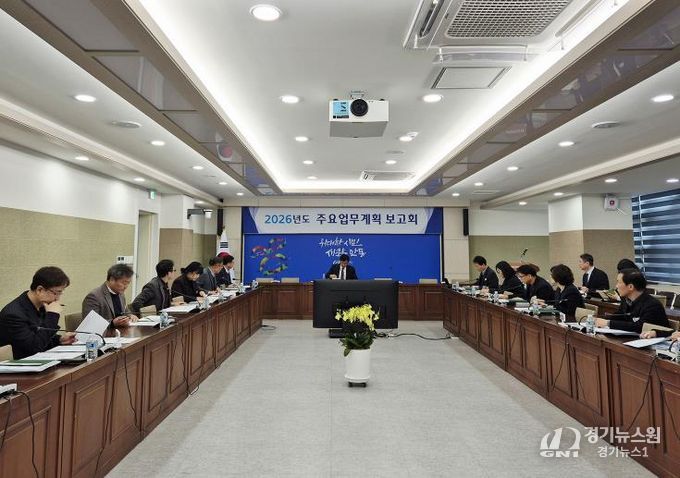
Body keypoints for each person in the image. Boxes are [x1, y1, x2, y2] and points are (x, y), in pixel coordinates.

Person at [0, 267, 77, 359]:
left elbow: (39, 336)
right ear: (40, 290)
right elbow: (34, 348)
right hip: (20, 364)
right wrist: (52, 315)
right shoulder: (13, 315)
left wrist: (60, 340)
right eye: (56, 293)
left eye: (60, 293)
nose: (58, 299)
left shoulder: (41, 305)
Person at [595, 269, 669, 333]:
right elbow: (619, 316)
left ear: (630, 287)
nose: (616, 286)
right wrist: (600, 320)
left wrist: (608, 323)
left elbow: (640, 326)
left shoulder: (652, 305)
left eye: (618, 282)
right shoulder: (626, 300)